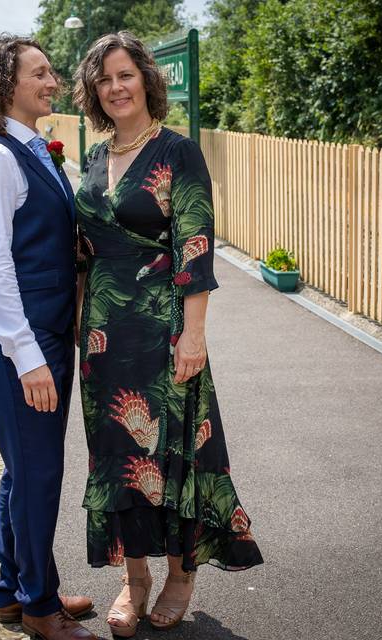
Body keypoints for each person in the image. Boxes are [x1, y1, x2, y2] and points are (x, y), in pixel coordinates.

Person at [71, 31, 264, 637]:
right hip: (102, 340)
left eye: (124, 75)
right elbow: (84, 253)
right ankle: (135, 579)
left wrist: (195, 336)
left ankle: (181, 576)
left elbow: (196, 249)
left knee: (173, 451)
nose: (115, 88)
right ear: (93, 92)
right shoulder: (95, 157)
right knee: (118, 458)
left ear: (146, 81)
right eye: (103, 80)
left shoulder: (177, 153)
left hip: (163, 333)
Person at [0, 35, 99, 640]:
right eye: (40, 72)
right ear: (5, 84)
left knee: (24, 468)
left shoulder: (34, 151)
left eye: (50, 70)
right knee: (37, 471)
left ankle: (14, 588)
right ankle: (41, 608)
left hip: (43, 332)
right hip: (22, 341)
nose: (52, 80)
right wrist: (29, 359)